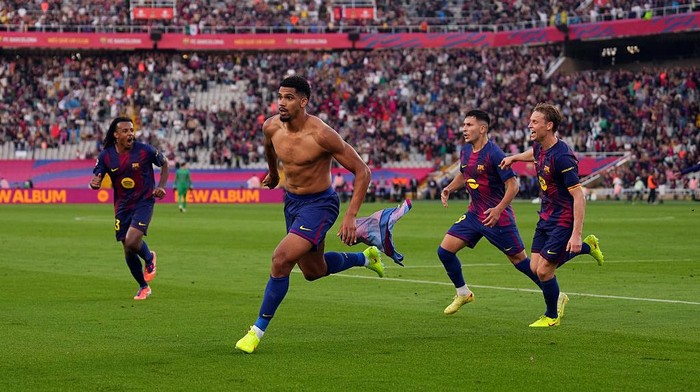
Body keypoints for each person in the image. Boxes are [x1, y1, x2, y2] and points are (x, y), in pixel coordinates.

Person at [235, 76, 383, 354]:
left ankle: (256, 331)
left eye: (289, 97)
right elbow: (270, 149)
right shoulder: (271, 126)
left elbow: (363, 171)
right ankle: (365, 258)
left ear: (303, 102)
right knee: (313, 272)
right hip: (292, 203)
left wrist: (351, 216)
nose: (281, 102)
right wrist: (273, 172)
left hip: (320, 205)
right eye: (280, 96)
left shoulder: (322, 134)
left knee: (281, 259)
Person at [499, 103, 604, 327]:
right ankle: (588, 247)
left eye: (535, 122)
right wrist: (514, 158)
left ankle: (552, 316)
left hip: (563, 219)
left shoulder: (563, 157)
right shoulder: (540, 147)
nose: (529, 125)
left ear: (549, 125)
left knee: (545, 271)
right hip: (546, 215)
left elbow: (579, 196)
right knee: (535, 268)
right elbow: (533, 154)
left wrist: (576, 234)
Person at [438, 109, 540, 316]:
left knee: (520, 262)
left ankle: (555, 294)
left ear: (482, 129)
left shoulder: (495, 154)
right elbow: (464, 175)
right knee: (445, 251)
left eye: (469, 125)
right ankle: (463, 293)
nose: (464, 129)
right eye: (464, 125)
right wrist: (449, 188)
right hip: (474, 214)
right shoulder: (466, 151)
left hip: (497, 218)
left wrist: (499, 209)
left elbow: (514, 186)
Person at [89, 117, 168, 300]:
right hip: (122, 206)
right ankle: (143, 286)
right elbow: (97, 176)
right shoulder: (107, 156)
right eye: (125, 131)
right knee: (127, 247)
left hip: (144, 201)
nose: (130, 133)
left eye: (131, 130)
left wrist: (161, 186)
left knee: (132, 241)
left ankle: (149, 258)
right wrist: (95, 182)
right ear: (116, 135)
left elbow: (164, 163)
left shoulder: (145, 151)